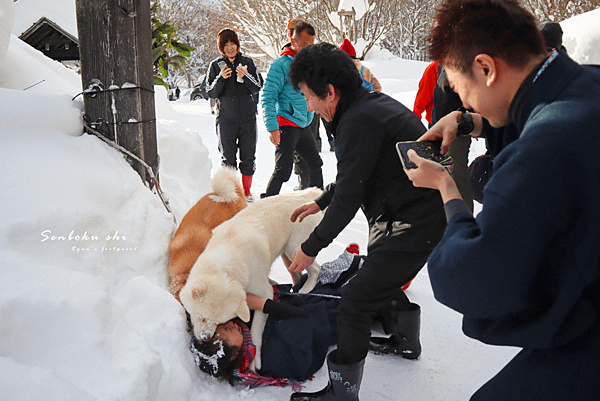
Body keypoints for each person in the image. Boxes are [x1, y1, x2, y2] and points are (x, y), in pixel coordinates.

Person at [404, 1, 600, 400]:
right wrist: (469, 122)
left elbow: (476, 276)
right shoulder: (585, 84)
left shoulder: (546, 148)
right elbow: (537, 115)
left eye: (460, 90)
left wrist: (448, 190)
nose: (464, 100)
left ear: (486, 68)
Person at [285, 42, 447, 400]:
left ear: (331, 91)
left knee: (356, 300)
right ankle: (406, 343)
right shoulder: (365, 107)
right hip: (411, 213)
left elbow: (349, 197)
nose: (309, 107)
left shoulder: (359, 119)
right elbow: (354, 176)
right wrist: (319, 202)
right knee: (377, 278)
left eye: (310, 98)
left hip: (414, 220)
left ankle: (341, 394)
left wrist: (310, 248)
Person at [189, 247, 364, 386]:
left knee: (318, 281)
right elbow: (302, 338)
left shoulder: (241, 332)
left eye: (225, 324)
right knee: (350, 297)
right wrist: (270, 310)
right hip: (320, 318)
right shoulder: (267, 360)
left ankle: (356, 267)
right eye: (228, 330)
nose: (232, 325)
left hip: (298, 301)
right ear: (234, 354)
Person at [261, 20, 323, 197]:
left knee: (315, 165)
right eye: (304, 44)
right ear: (292, 39)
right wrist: (272, 128)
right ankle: (267, 205)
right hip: (286, 124)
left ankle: (319, 202)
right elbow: (268, 97)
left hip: (305, 124)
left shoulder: (310, 63)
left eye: (311, 45)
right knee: (283, 171)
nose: (307, 49)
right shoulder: (280, 65)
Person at [206, 28, 262, 201]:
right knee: (228, 157)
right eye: (226, 45)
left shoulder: (247, 62)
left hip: (247, 118)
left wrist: (246, 76)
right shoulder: (216, 66)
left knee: (248, 156)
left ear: (238, 44)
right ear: (221, 48)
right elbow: (210, 92)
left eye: (233, 44)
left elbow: (257, 86)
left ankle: (246, 191)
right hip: (225, 120)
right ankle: (231, 191)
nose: (230, 48)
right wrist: (221, 78)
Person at [413, 60, 439, 127]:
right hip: (438, 121)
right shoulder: (435, 67)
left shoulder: (434, 66)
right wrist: (416, 116)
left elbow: (424, 94)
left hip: (438, 121)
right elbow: (424, 94)